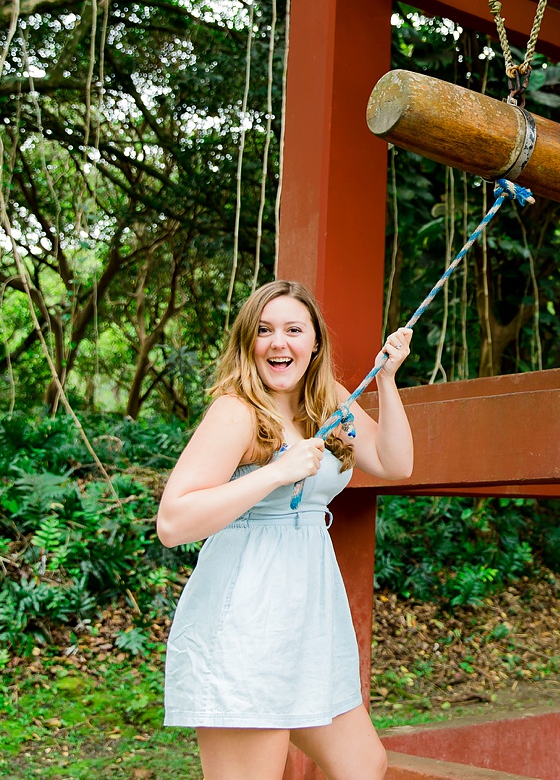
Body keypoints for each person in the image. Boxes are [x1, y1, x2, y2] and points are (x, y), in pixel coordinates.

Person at [155, 280, 414, 780]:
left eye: (294, 329)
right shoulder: (237, 412)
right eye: (264, 330)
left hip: (309, 616)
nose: (280, 342)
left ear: (314, 342)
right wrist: (275, 471)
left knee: (363, 765)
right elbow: (173, 521)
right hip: (246, 619)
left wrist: (387, 379)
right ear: (247, 343)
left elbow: (393, 461)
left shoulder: (330, 401)